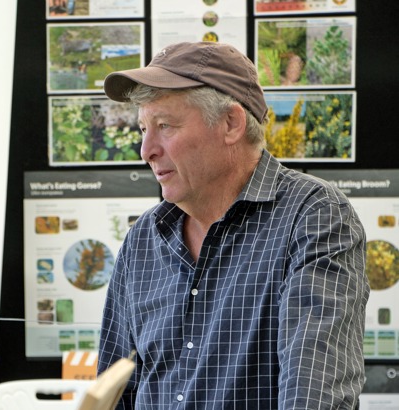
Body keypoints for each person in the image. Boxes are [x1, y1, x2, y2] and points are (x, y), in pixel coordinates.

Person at [97, 41, 368, 408]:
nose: (147, 150)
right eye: (144, 128)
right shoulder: (144, 237)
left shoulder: (313, 216)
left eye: (165, 126)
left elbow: (314, 394)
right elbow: (113, 391)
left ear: (231, 123)